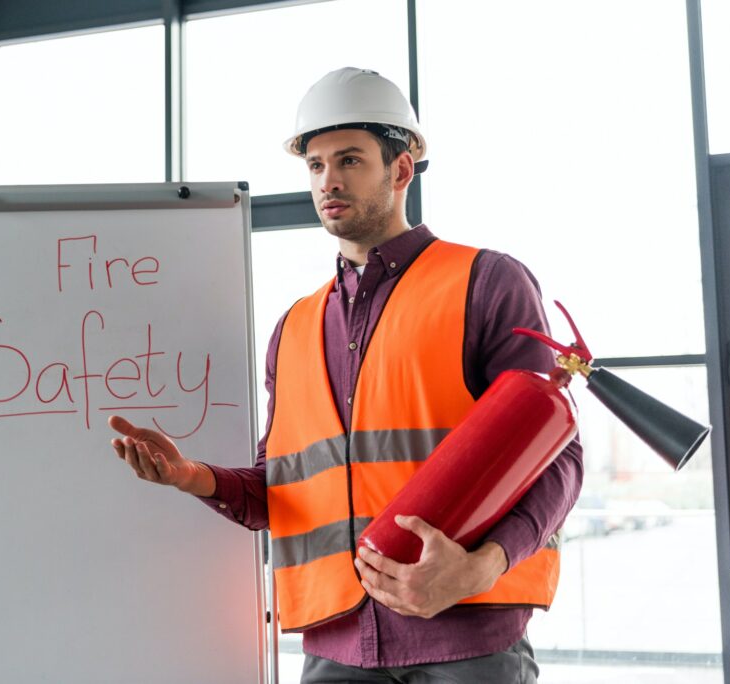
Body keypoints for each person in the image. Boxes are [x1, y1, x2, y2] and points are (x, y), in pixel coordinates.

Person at [108, 67, 583, 683]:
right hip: (337, 645)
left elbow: (557, 457)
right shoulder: (295, 328)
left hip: (465, 635)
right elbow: (284, 492)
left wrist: (482, 566)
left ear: (402, 169)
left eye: (351, 160)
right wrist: (192, 477)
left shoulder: (486, 283)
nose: (328, 180)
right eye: (315, 165)